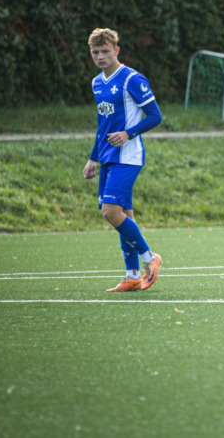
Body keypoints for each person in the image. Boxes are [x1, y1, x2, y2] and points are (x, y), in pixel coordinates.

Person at [82, 28, 164, 293]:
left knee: (110, 212)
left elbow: (155, 115)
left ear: (116, 50)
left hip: (128, 157)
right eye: (95, 52)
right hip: (106, 158)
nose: (100, 56)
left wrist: (129, 133)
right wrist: (93, 157)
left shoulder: (132, 79)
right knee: (124, 216)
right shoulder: (97, 83)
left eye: (105, 51)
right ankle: (132, 276)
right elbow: (102, 126)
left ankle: (151, 259)